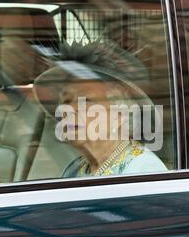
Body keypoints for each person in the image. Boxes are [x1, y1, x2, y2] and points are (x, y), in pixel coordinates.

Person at [33, 41, 167, 177]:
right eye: (66, 101)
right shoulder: (74, 169)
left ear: (120, 114)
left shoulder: (143, 170)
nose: (68, 109)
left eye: (85, 101)